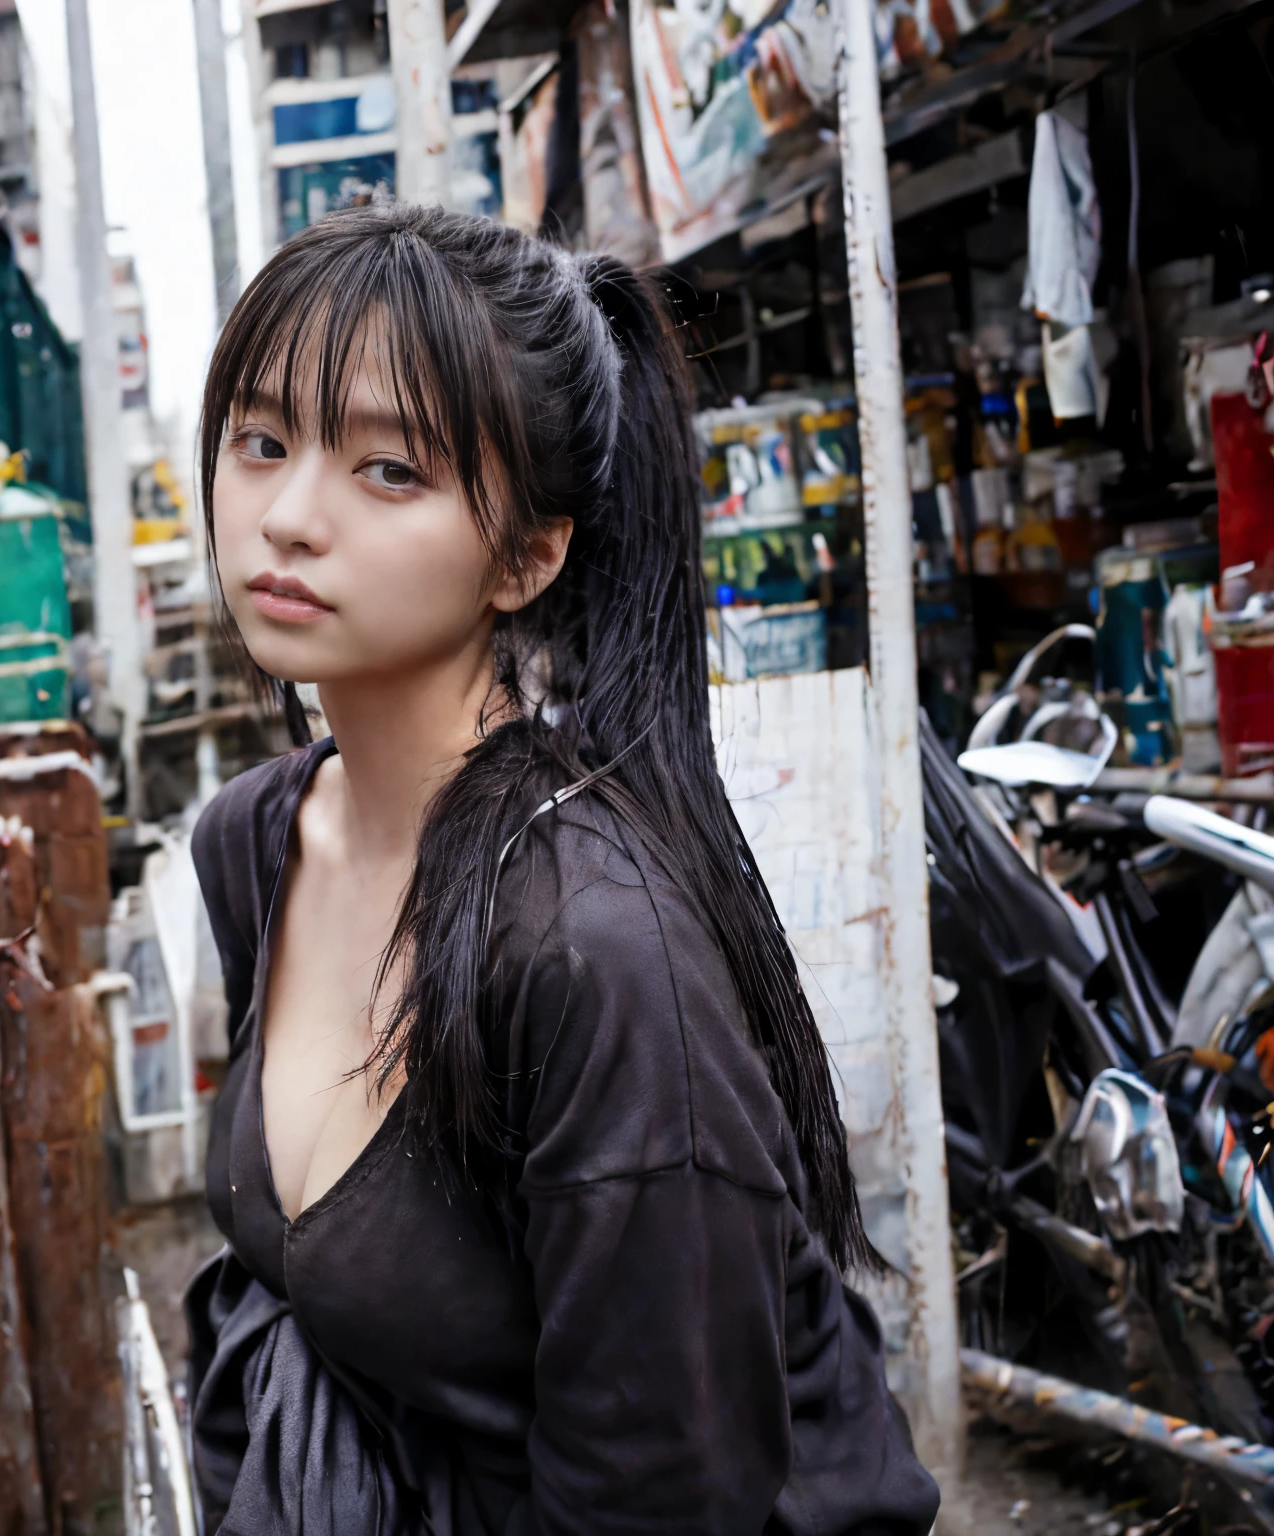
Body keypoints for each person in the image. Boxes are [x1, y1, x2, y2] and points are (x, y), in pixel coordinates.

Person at [187, 201, 939, 1536]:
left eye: (391, 472)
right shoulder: (254, 841)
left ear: (530, 554)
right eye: (260, 442)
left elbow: (665, 1500)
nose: (287, 518)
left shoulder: (590, 947)